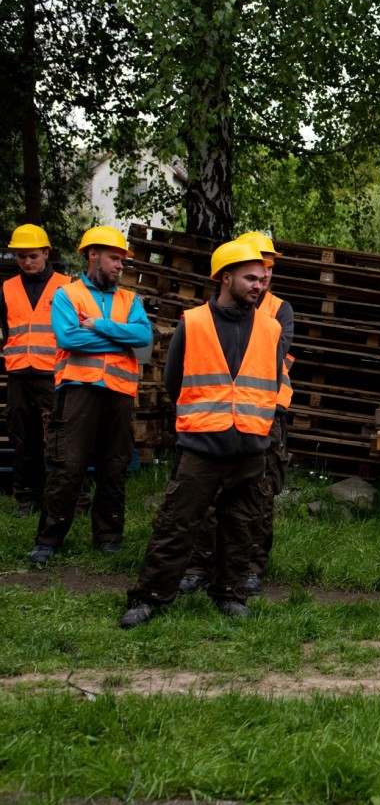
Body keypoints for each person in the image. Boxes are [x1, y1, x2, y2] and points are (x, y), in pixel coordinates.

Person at [121, 240, 284, 628]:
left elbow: (272, 381)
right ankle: (150, 597)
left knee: (242, 524)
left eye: (262, 279)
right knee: (176, 524)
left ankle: (229, 593)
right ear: (225, 279)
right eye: (250, 278)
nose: (259, 285)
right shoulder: (192, 322)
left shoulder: (271, 327)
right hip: (202, 446)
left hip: (250, 446)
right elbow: (173, 381)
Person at [179, 231, 294, 597]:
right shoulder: (208, 313)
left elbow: (272, 356)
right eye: (257, 267)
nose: (264, 275)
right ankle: (200, 565)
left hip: (264, 413)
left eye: (268, 268)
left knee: (258, 495)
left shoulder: (278, 311)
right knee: (206, 494)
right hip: (213, 417)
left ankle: (250, 567)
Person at [30, 227, 152, 565]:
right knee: (68, 466)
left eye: (122, 260)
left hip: (118, 394)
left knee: (114, 467)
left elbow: (143, 337)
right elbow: (69, 339)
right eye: (114, 257)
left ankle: (109, 536)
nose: (120, 265)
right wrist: (119, 341)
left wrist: (98, 325)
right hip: (77, 390)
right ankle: (48, 539)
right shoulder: (67, 295)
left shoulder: (130, 299)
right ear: (92, 255)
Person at [3, 224, 70, 517]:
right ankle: (26, 499)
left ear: (46, 252)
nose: (27, 262)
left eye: (32, 256)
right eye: (20, 257)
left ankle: (63, 498)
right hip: (18, 375)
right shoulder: (6, 288)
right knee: (23, 437)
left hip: (53, 375)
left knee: (58, 439)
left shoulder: (67, 286)